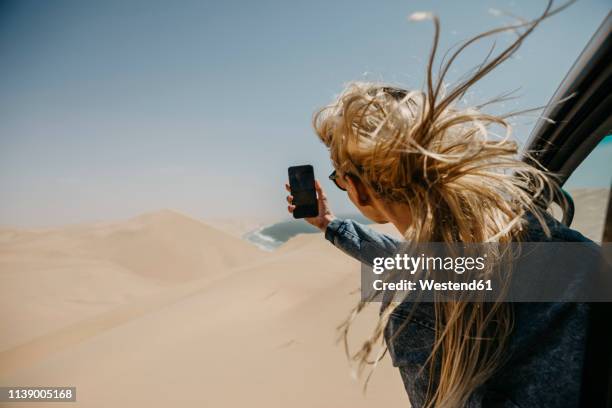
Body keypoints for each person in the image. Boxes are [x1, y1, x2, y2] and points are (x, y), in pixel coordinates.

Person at [284, 2, 602, 407]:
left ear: (360, 191)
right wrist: (329, 224)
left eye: (340, 178)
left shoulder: (423, 318)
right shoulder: (558, 247)